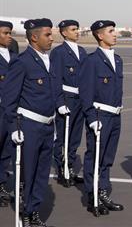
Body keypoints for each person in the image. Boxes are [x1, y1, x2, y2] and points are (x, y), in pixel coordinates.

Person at [1, 18, 60, 226]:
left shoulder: (49, 60)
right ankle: (25, 212)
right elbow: (9, 100)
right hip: (29, 126)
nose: (52, 38)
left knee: (43, 172)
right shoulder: (22, 62)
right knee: (28, 171)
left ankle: (34, 210)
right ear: (34, 37)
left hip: (47, 125)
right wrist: (14, 128)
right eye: (47, 34)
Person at [80, 20, 124, 216]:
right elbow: (86, 92)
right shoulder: (92, 61)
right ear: (100, 35)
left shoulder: (118, 60)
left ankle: (103, 192)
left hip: (115, 115)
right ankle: (92, 196)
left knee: (107, 158)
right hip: (100, 115)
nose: (115, 34)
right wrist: (91, 117)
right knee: (94, 157)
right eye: (111, 31)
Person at [50, 20, 87, 187]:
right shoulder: (59, 52)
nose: (77, 32)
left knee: (75, 137)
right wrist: (59, 102)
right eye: (73, 29)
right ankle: (61, 169)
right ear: (64, 33)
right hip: (67, 99)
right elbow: (55, 78)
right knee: (63, 137)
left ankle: (70, 166)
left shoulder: (82, 51)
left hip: (81, 100)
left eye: (77, 29)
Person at [0, 20, 17, 207]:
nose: (9, 36)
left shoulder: (14, 56)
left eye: (10, 33)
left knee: (6, 149)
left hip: (10, 110)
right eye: (5, 33)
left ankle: (2, 184)